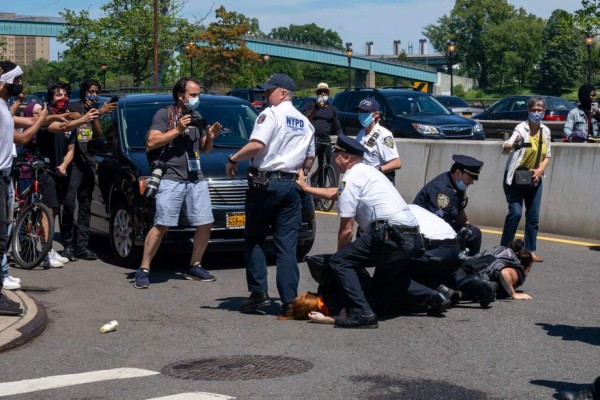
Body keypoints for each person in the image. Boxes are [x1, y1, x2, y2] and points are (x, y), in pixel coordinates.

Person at [294, 134, 423, 328]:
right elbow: (335, 194)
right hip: (410, 237)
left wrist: (338, 261)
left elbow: (346, 230)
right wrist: (305, 188)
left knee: (341, 261)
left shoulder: (352, 178)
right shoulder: (367, 173)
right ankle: (429, 296)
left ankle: (363, 313)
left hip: (390, 237)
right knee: (376, 276)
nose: (332, 157)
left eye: (335, 153)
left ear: (346, 157)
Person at [226, 73, 315, 316]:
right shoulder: (305, 122)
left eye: (269, 91)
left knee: (254, 238)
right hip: (291, 186)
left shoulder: (271, 115)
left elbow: (258, 145)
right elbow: (309, 159)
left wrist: (233, 158)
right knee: (286, 246)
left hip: (266, 185)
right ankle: (288, 301)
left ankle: (258, 295)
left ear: (283, 93)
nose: (266, 95)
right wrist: (298, 172)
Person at [134, 77, 221, 289]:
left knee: (205, 221)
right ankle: (144, 268)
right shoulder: (165, 114)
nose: (196, 98)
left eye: (198, 94)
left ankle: (195, 265)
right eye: (193, 94)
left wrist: (209, 137)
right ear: (180, 96)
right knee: (162, 223)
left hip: (195, 178)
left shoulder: (196, 116)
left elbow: (204, 149)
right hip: (171, 178)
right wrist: (177, 130)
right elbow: (152, 142)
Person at [61, 78, 117, 261]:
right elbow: (75, 119)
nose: (94, 95)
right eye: (91, 91)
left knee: (85, 204)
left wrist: (98, 117)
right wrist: (98, 111)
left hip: (89, 162)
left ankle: (82, 246)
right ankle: (67, 244)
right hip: (74, 162)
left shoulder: (95, 112)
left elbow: (99, 134)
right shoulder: (74, 106)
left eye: (97, 92)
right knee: (69, 203)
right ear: (84, 91)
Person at [500, 96, 551, 263]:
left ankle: (530, 250)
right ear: (528, 111)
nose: (537, 113)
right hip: (515, 178)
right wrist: (513, 144)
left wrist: (540, 170)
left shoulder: (546, 131)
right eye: (534, 110)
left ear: (544, 112)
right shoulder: (521, 129)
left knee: (533, 217)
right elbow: (506, 147)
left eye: (540, 110)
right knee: (515, 213)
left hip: (534, 179)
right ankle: (504, 249)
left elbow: (547, 155)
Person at [413, 154, 484, 256]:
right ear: (458, 173)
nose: (471, 182)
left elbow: (458, 210)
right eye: (469, 179)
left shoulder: (456, 183)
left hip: (443, 222)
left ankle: (471, 264)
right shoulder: (442, 190)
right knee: (457, 239)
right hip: (426, 229)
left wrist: (467, 226)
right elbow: (438, 223)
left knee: (474, 233)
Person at [0, 61, 26, 315]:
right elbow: (22, 137)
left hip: (5, 177)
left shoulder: (4, 107)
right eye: (16, 80)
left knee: (2, 234)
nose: (19, 85)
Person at [460, 239, 533, 300]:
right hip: (473, 275)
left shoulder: (503, 250)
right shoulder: (518, 270)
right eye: (528, 271)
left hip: (464, 264)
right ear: (524, 266)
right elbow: (505, 273)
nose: (527, 275)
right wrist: (513, 294)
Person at [302, 82, 343, 188]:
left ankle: (321, 189)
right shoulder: (311, 105)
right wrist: (314, 110)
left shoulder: (332, 109)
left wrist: (342, 138)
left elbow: (337, 126)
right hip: (313, 140)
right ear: (317, 94)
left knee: (325, 166)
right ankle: (303, 185)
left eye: (325, 92)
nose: (323, 94)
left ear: (328, 94)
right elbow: (305, 120)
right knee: (307, 165)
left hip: (325, 140)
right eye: (320, 92)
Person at [354, 97, 401, 183]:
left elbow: (396, 163)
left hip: (378, 182)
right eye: (360, 111)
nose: (362, 114)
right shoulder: (361, 133)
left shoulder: (385, 135)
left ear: (376, 114)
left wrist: (377, 170)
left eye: (366, 112)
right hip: (362, 180)